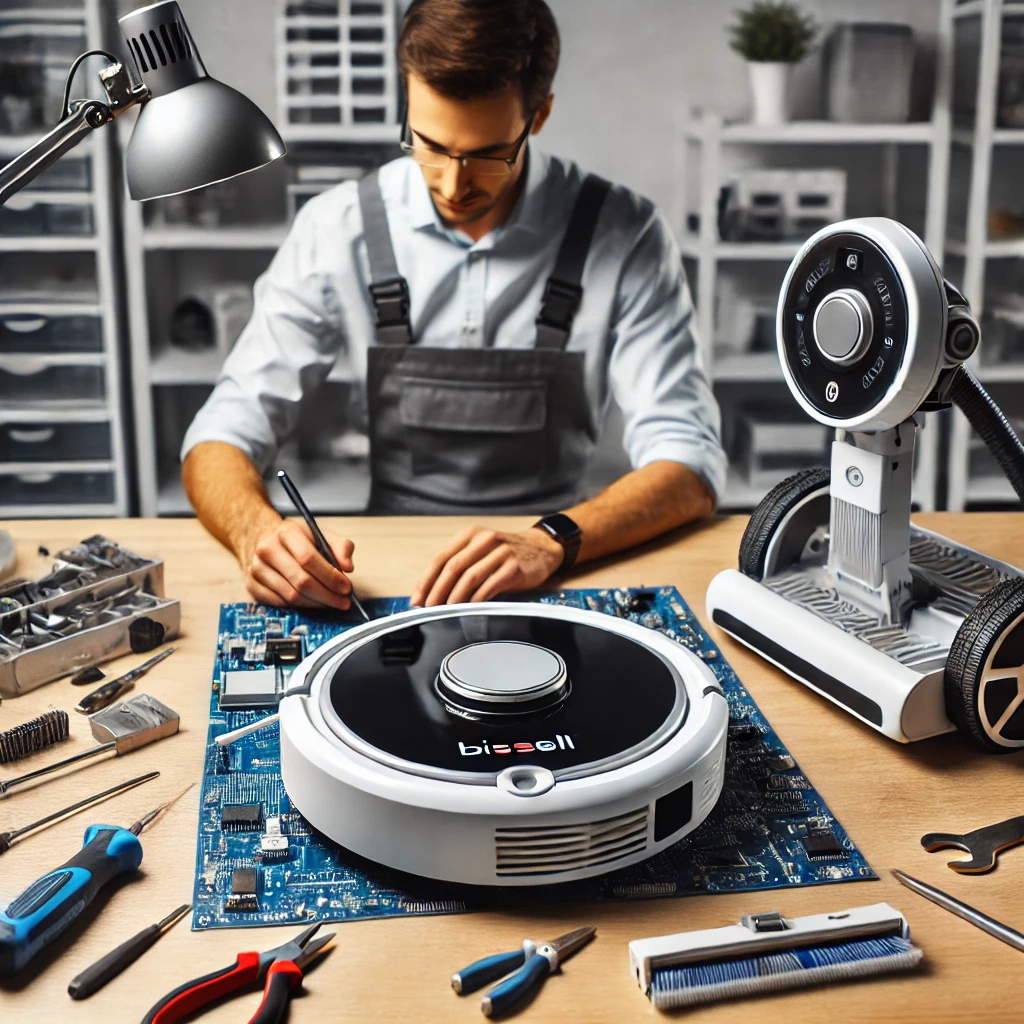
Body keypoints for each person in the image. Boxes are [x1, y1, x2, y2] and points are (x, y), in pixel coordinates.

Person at [181, 0, 725, 610]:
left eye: (488, 153)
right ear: (406, 104)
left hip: (559, 566)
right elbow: (222, 431)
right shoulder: (336, 228)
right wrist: (258, 532)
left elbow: (691, 461)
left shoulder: (626, 235)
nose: (452, 182)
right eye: (430, 144)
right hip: (389, 578)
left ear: (539, 115)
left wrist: (551, 541)